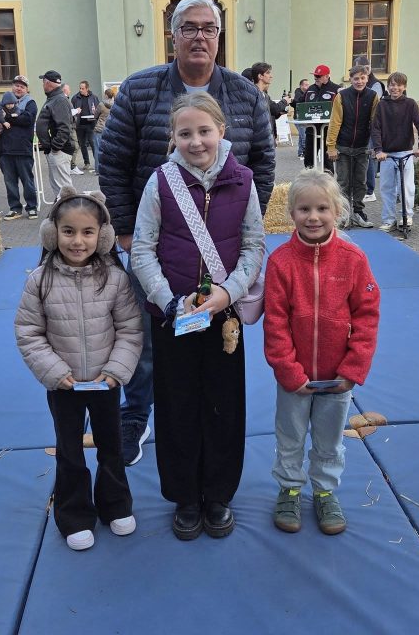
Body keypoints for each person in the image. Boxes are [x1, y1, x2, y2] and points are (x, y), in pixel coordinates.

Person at [98, 0, 274, 468]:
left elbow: (262, 168)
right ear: (173, 35)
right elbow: (112, 162)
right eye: (189, 27)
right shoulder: (139, 90)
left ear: (219, 36)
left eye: (209, 28)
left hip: (221, 254)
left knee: (214, 342)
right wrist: (129, 232)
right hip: (153, 246)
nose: (200, 36)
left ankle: (211, 431)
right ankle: (137, 415)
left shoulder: (246, 95)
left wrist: (240, 240)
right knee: (148, 336)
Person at [130, 91, 265, 540]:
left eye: (204, 131)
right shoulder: (161, 182)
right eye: (185, 133)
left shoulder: (243, 181)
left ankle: (219, 492)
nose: (196, 141)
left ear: (221, 131)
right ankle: (186, 495)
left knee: (225, 405)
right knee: (177, 405)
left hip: (222, 318)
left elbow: (253, 247)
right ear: (173, 137)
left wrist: (228, 293)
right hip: (175, 317)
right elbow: (143, 249)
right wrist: (170, 301)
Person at [15, 187, 142, 552]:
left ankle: (115, 505)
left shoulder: (115, 280)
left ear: (102, 236)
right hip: (63, 386)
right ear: (52, 233)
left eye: (88, 232)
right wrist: (54, 372)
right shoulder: (39, 280)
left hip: (106, 382)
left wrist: (116, 370)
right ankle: (74, 515)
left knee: (111, 446)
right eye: (68, 231)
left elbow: (130, 329)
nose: (77, 240)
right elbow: (29, 332)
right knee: (69, 450)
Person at [263, 170, 380, 535]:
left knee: (329, 439)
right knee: (290, 437)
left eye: (322, 208)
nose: (313, 217)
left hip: (337, 378)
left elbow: (367, 316)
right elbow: (276, 322)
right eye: (304, 209)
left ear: (337, 210)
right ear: (291, 213)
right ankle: (290, 488)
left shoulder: (353, 259)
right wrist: (288, 372)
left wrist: (352, 368)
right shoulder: (281, 261)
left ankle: (326, 491)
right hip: (294, 379)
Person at [371, 72, 419, 231]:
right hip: (387, 154)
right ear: (388, 86)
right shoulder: (382, 105)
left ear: (404, 87)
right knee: (387, 188)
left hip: (405, 152)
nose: (395, 88)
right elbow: (375, 128)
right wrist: (378, 150)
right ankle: (389, 219)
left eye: (398, 85)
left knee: (407, 187)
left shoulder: (410, 104)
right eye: (392, 85)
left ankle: (406, 217)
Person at [326, 66, 378, 228]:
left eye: (362, 78)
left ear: (367, 78)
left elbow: (375, 123)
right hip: (343, 147)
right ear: (351, 79)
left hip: (362, 147)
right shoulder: (342, 96)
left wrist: (377, 146)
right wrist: (331, 147)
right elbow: (335, 122)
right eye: (356, 78)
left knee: (360, 182)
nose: (359, 81)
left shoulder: (373, 96)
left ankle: (358, 212)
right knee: (343, 182)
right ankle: (342, 213)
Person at [0, 77, 39, 220]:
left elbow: (27, 120)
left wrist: (5, 119)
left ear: (26, 89)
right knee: (10, 182)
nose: (18, 88)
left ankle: (32, 207)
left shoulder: (30, 103)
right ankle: (15, 208)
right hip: (5, 150)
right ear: (12, 87)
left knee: (27, 180)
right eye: (16, 85)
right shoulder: (2, 102)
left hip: (22, 149)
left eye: (22, 86)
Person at [35, 70, 77, 198]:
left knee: (65, 190)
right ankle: (62, 215)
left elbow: (64, 128)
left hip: (60, 151)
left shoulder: (59, 100)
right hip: (56, 150)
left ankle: (71, 216)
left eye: (43, 82)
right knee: (59, 189)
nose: (42, 85)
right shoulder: (54, 98)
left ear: (47, 83)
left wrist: (55, 148)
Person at [356, 56, 385, 203]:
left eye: (362, 70)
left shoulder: (376, 85)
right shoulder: (365, 84)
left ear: (368, 69)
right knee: (364, 158)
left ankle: (370, 190)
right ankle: (364, 189)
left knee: (370, 158)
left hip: (372, 127)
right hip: (362, 127)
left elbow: (374, 105)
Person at [302, 64, 340, 171]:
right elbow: (300, 102)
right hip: (311, 129)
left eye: (319, 76)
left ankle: (328, 182)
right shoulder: (310, 88)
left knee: (327, 158)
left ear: (327, 76)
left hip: (328, 130)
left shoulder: (336, 89)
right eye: (315, 75)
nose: (316, 78)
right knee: (309, 157)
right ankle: (308, 180)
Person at [251, 62, 292, 142]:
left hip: (268, 137)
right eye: (268, 73)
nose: (271, 76)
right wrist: (285, 101)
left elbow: (272, 111)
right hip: (259, 139)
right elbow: (274, 108)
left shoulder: (264, 95)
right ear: (260, 76)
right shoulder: (254, 94)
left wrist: (280, 112)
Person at [72, 81, 101, 172]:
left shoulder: (94, 97)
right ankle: (86, 163)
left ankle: (97, 163)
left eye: (82, 88)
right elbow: (71, 110)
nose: (80, 90)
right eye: (80, 88)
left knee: (93, 143)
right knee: (83, 144)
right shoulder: (75, 98)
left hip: (91, 124)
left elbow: (98, 110)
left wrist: (94, 111)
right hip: (80, 124)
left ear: (87, 88)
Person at [93, 86, 117, 164]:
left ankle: (98, 169)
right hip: (110, 129)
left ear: (106, 95)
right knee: (109, 149)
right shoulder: (116, 104)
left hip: (100, 128)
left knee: (98, 149)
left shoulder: (101, 104)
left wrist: (94, 111)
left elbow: (95, 116)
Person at [292, 79, 310, 159]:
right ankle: (307, 154)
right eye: (305, 85)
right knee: (304, 137)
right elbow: (298, 102)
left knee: (301, 135)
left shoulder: (306, 93)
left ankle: (300, 153)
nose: (307, 87)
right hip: (299, 118)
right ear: (301, 85)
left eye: (308, 85)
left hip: (304, 118)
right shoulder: (298, 92)